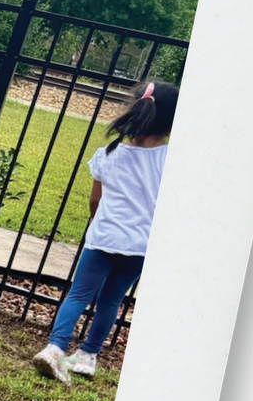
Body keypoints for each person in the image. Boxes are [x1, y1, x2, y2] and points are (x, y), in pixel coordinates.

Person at [34, 78, 177, 385]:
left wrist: (94, 222)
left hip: (102, 240)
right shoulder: (171, 160)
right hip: (139, 246)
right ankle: (88, 356)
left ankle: (55, 348)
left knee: (78, 295)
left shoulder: (108, 153)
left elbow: (95, 199)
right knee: (111, 301)